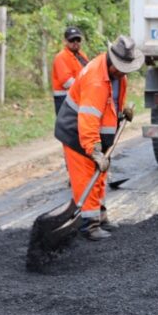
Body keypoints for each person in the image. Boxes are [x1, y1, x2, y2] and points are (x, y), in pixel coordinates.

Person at [53, 35, 144, 240]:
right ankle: (89, 226)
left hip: (97, 137)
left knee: (100, 176)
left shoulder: (119, 76)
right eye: (121, 68)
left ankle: (100, 218)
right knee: (87, 179)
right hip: (77, 134)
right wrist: (94, 150)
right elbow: (88, 119)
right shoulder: (96, 80)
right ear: (113, 60)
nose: (123, 73)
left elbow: (109, 106)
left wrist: (122, 114)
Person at [51, 26, 89, 116]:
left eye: (78, 39)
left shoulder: (82, 56)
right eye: (72, 40)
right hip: (64, 99)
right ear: (65, 41)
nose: (75, 42)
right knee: (66, 127)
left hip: (80, 96)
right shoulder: (60, 57)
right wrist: (87, 86)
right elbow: (67, 82)